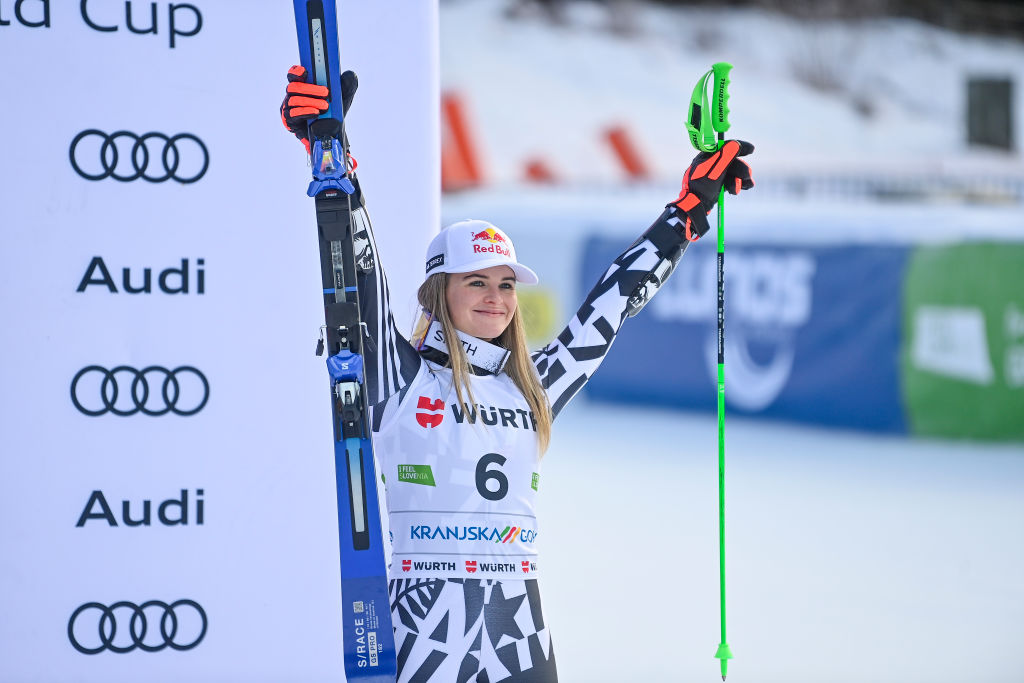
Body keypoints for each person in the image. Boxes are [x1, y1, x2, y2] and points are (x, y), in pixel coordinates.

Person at [282, 67, 753, 683]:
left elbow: (611, 305)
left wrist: (685, 215)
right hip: (427, 622)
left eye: (505, 284)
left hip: (519, 628)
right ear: (437, 293)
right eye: (475, 281)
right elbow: (361, 280)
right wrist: (334, 163)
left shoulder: (532, 388)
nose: (496, 298)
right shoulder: (400, 381)